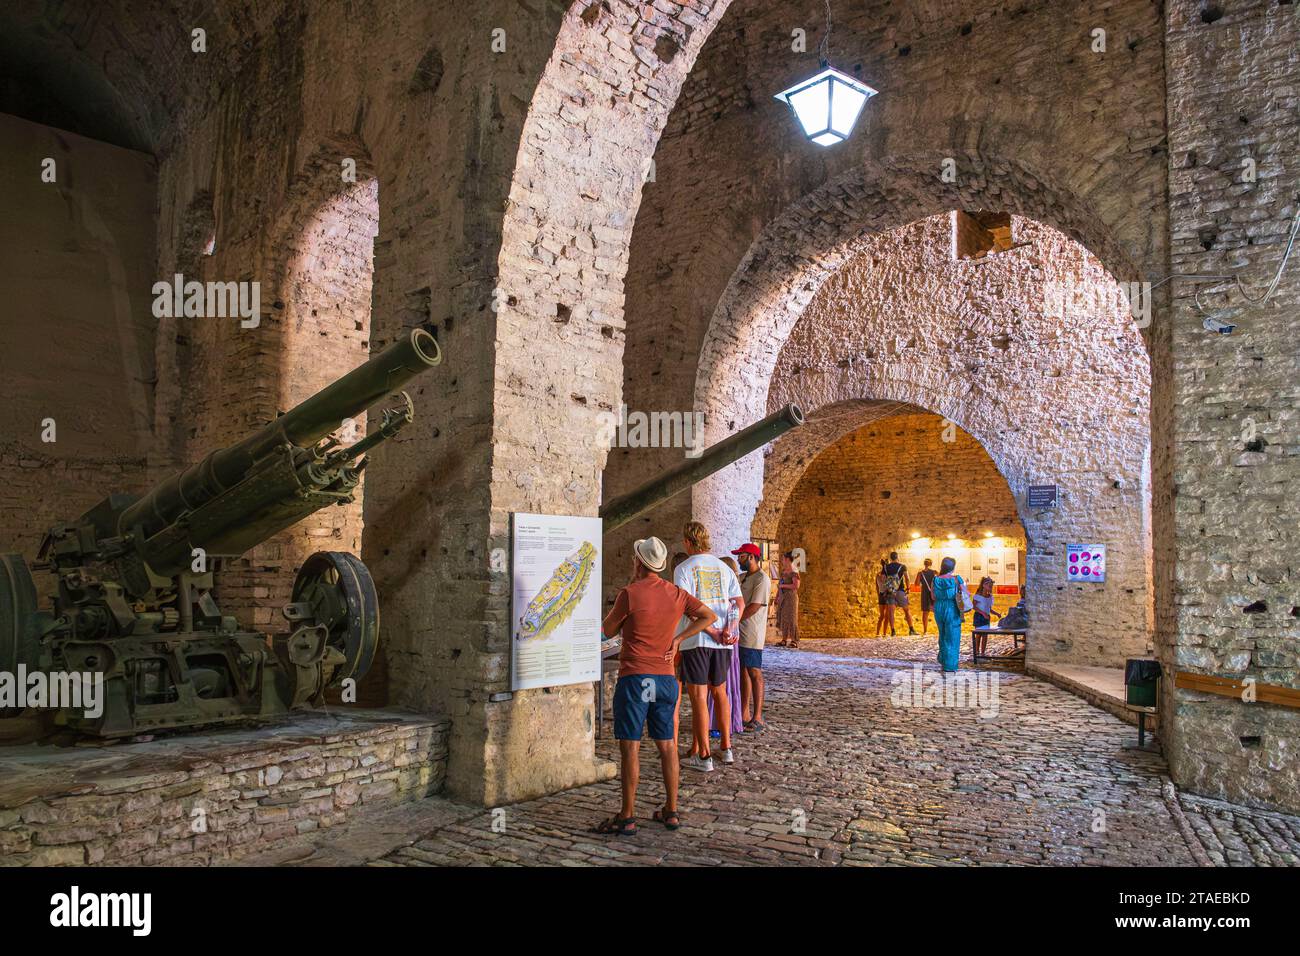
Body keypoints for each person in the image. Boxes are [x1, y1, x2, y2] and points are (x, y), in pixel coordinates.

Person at [596, 536, 716, 835]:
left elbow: (606, 630)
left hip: (636, 677)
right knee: (668, 746)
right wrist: (677, 639)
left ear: (638, 562)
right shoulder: (676, 593)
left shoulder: (630, 593)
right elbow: (708, 616)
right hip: (664, 679)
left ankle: (627, 815)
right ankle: (672, 810)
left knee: (630, 747)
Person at [674, 521, 743, 773]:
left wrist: (711, 630)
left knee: (699, 697)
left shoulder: (683, 568)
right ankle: (726, 748)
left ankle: (703, 756)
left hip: (698, 640)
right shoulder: (724, 568)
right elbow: (737, 601)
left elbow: (686, 606)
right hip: (724, 642)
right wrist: (730, 628)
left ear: (687, 542)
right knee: (720, 692)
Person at [731, 543, 770, 732]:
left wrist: (735, 620)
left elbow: (755, 606)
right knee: (743, 672)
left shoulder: (762, 579)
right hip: (741, 632)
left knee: (754, 672)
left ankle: (758, 716)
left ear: (752, 557)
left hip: (752, 633)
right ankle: (744, 713)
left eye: (742, 556)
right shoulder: (744, 577)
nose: (739, 559)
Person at [708, 556, 744, 738]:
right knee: (725, 684)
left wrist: (724, 632)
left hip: (724, 643)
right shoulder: (732, 600)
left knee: (720, 685)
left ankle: (717, 723)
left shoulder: (730, 602)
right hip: (729, 644)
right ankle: (729, 720)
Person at [930, 556, 968, 672]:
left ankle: (944, 660)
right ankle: (950, 665)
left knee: (943, 634)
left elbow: (933, 596)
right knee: (953, 636)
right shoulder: (957, 579)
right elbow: (966, 594)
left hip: (939, 608)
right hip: (952, 607)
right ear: (953, 567)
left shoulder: (935, 580)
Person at [883, 551, 916, 635]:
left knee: (891, 612)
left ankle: (893, 631)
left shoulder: (885, 567)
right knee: (906, 610)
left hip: (890, 591)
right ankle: (911, 629)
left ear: (891, 558)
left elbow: (883, 579)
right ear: (897, 557)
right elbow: (907, 578)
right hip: (900, 591)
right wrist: (908, 588)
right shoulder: (902, 566)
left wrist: (888, 588)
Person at [971, 576, 1002, 659]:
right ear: (984, 585)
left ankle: (983, 653)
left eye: (991, 586)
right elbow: (973, 606)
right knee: (979, 635)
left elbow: (989, 609)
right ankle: (976, 652)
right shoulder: (978, 595)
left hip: (986, 617)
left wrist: (996, 614)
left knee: (985, 635)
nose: (991, 588)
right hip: (979, 616)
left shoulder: (990, 597)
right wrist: (982, 613)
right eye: (989, 586)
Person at [774, 551, 800, 648]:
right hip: (783, 597)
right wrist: (777, 597)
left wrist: (783, 585)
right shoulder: (784, 571)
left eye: (783, 559)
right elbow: (780, 585)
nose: (782, 561)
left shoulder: (794, 571)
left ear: (788, 559)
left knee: (792, 618)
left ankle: (794, 640)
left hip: (791, 598)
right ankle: (784, 639)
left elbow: (796, 585)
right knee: (783, 618)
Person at [914, 558, 937, 635]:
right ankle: (940, 629)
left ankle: (925, 631)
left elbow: (916, 584)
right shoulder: (934, 572)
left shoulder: (921, 573)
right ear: (931, 564)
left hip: (925, 593)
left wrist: (918, 574)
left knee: (925, 613)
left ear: (924, 564)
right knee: (937, 612)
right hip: (933, 593)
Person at [875, 557, 893, 636]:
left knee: (881, 615)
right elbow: (889, 586)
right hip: (887, 595)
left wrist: (879, 595)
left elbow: (877, 587)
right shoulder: (888, 576)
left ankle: (877, 633)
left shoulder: (878, 575)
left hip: (880, 595)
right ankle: (884, 633)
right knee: (887, 616)